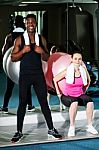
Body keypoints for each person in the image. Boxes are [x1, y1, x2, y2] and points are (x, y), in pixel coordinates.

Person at [10, 14, 62, 143]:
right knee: (22, 102)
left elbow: (46, 58)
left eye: (33, 22)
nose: (30, 25)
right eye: (28, 23)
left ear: (36, 24)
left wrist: (41, 51)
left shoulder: (41, 39)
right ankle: (19, 131)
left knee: (43, 102)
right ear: (25, 24)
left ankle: (51, 129)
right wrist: (23, 51)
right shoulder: (20, 40)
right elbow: (12, 57)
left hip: (38, 75)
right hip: (25, 75)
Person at [53, 49, 98, 137]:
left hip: (79, 95)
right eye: (76, 59)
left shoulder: (83, 71)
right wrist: (58, 93)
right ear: (72, 59)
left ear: (81, 60)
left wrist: (84, 92)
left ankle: (89, 126)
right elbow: (55, 79)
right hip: (67, 96)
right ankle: (72, 127)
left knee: (90, 102)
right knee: (74, 103)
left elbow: (88, 81)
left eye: (79, 59)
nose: (77, 61)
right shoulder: (67, 70)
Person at [0, 15, 35, 113]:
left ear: (14, 24)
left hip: (12, 65)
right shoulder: (27, 36)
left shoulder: (10, 37)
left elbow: (4, 52)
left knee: (9, 87)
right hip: (25, 64)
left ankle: (5, 106)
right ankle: (30, 105)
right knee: (26, 86)